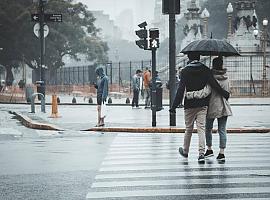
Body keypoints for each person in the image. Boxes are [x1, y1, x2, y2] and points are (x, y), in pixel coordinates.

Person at [169, 52, 230, 163]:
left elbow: (181, 89)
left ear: (189, 57)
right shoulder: (206, 70)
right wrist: (224, 93)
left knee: (189, 129)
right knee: (201, 128)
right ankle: (201, 154)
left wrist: (173, 106)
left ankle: (185, 151)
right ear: (199, 57)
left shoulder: (185, 71)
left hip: (189, 104)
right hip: (202, 104)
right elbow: (214, 84)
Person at [204, 57, 232, 161]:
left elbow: (207, 92)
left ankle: (209, 149)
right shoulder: (226, 77)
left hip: (212, 105)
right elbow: (228, 92)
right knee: (222, 130)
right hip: (224, 106)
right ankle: (222, 153)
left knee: (208, 128)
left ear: (213, 65)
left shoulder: (211, 78)